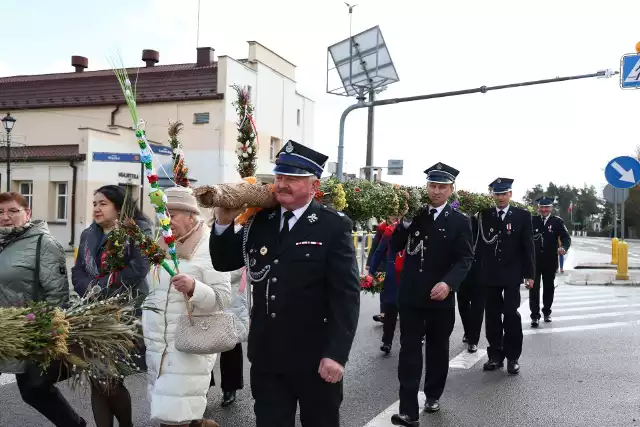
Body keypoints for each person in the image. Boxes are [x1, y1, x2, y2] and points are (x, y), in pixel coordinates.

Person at [209, 140, 360, 427]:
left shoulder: (332, 225)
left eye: (292, 179)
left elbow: (346, 295)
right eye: (279, 177)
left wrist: (336, 355)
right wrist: (223, 222)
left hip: (315, 356)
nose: (282, 184)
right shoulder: (260, 221)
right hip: (268, 355)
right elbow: (225, 262)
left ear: (314, 185)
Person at [389, 163, 473, 427]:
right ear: (427, 187)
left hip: (440, 299)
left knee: (437, 350)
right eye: (432, 186)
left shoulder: (460, 221)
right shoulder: (415, 215)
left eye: (442, 187)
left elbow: (465, 259)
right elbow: (395, 246)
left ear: (450, 190)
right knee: (409, 351)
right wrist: (403, 223)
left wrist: (448, 284)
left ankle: (433, 394)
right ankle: (408, 411)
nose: (436, 191)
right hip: (412, 296)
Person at [143, 186, 231, 427]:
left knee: (173, 416)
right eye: (162, 215)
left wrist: (194, 288)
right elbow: (154, 293)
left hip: (188, 344)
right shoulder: (160, 245)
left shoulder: (209, 245)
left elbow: (223, 297)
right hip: (158, 347)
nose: (165, 221)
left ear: (191, 215)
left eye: (172, 215)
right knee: (172, 412)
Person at [0, 191, 87, 427]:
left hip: (25, 332)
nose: (5, 217)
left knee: (34, 391)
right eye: (0, 212)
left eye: (12, 211)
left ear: (27, 213)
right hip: (5, 330)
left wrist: (42, 330)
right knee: (34, 391)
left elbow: (58, 295)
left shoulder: (44, 244)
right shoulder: (2, 241)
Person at [71, 185, 151, 427]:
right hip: (93, 314)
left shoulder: (136, 230)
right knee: (97, 376)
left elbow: (139, 268)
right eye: (94, 203)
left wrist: (101, 285)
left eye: (103, 203)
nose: (96, 208)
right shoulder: (88, 234)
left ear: (119, 206)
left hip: (124, 313)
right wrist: (90, 287)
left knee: (110, 379)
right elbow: (78, 272)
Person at [475, 178, 535, 375]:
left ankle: (513, 357)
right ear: (492, 195)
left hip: (512, 273)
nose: (500, 197)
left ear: (510, 194)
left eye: (503, 193)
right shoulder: (484, 215)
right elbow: (479, 244)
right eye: (496, 194)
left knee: (510, 314)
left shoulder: (522, 216)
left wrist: (530, 274)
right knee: (492, 315)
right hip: (489, 273)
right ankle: (495, 355)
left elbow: (528, 246)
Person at [530, 196, 571, 327]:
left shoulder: (557, 222)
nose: (544, 209)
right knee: (534, 289)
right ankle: (534, 316)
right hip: (534, 261)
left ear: (551, 208)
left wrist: (564, 248)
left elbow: (566, 238)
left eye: (546, 207)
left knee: (548, 288)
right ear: (538, 208)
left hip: (550, 260)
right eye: (542, 207)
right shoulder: (532, 220)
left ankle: (547, 312)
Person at [368, 219, 402, 354]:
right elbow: (379, 251)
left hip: (409, 276)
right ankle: (387, 342)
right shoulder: (390, 230)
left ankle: (417, 336)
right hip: (392, 275)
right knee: (390, 311)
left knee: (410, 312)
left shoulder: (418, 228)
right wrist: (371, 271)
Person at [457, 213, 484, 353]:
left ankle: (473, 340)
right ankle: (468, 331)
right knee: (462, 304)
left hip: (480, 271)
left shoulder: (482, 223)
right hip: (462, 272)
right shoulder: (460, 223)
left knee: (478, 307)